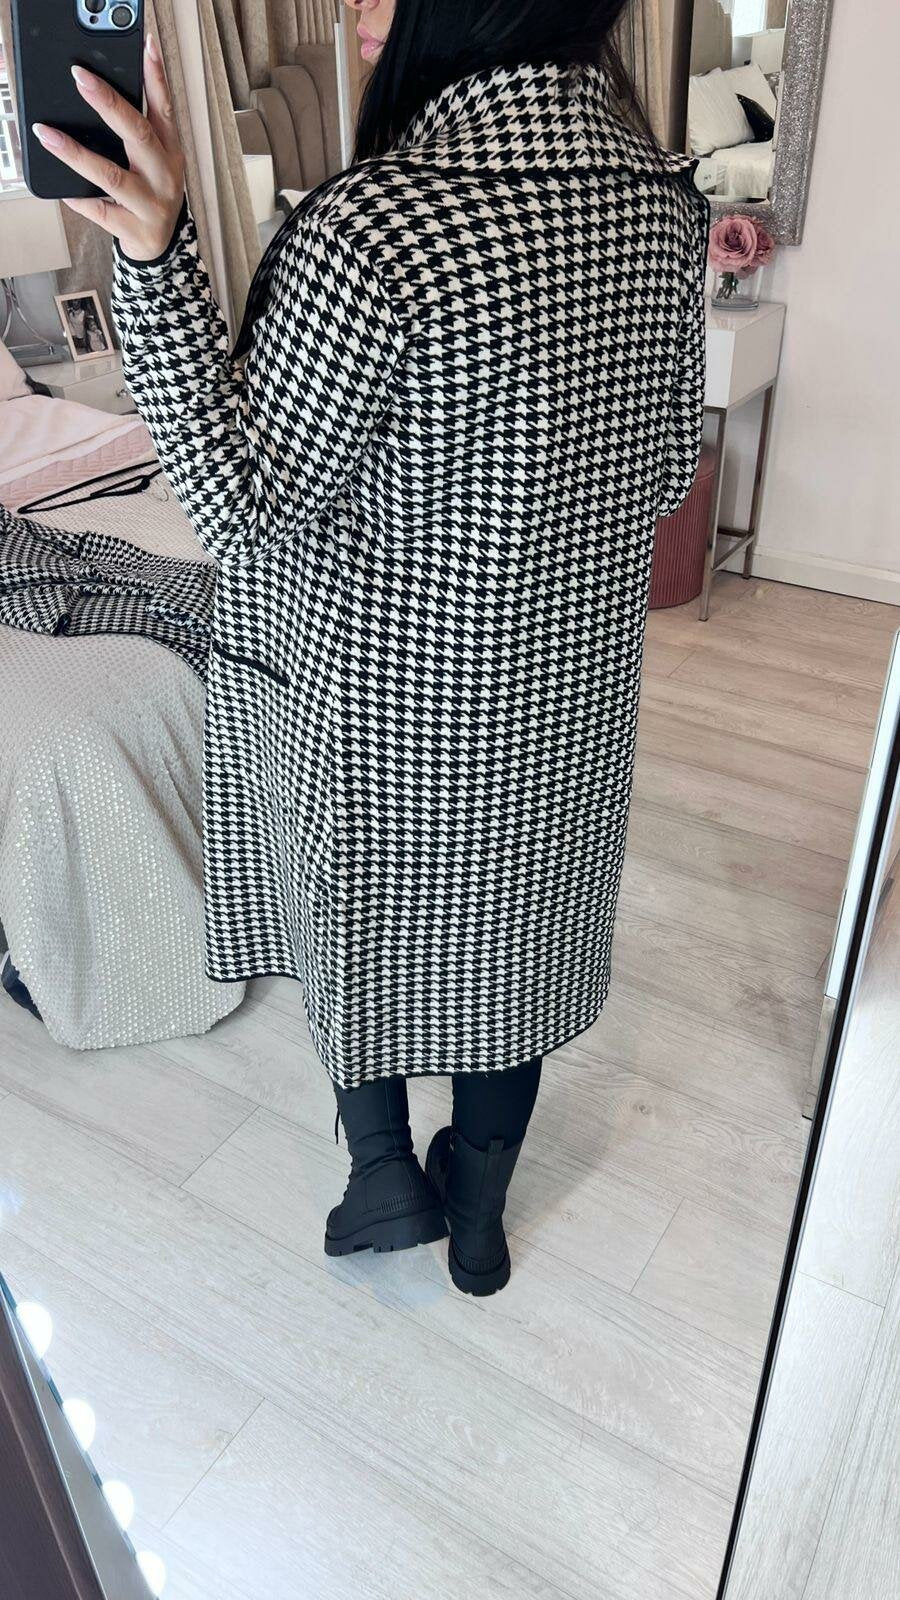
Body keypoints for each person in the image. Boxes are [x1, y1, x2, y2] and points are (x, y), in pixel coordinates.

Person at [35, 0, 708, 1297]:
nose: (352, 6)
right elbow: (670, 467)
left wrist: (159, 256)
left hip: (379, 704)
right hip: (568, 703)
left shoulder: (374, 227)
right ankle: (481, 1217)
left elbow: (240, 506)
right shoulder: (663, 211)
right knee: (520, 942)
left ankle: (383, 1171)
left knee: (370, 932)